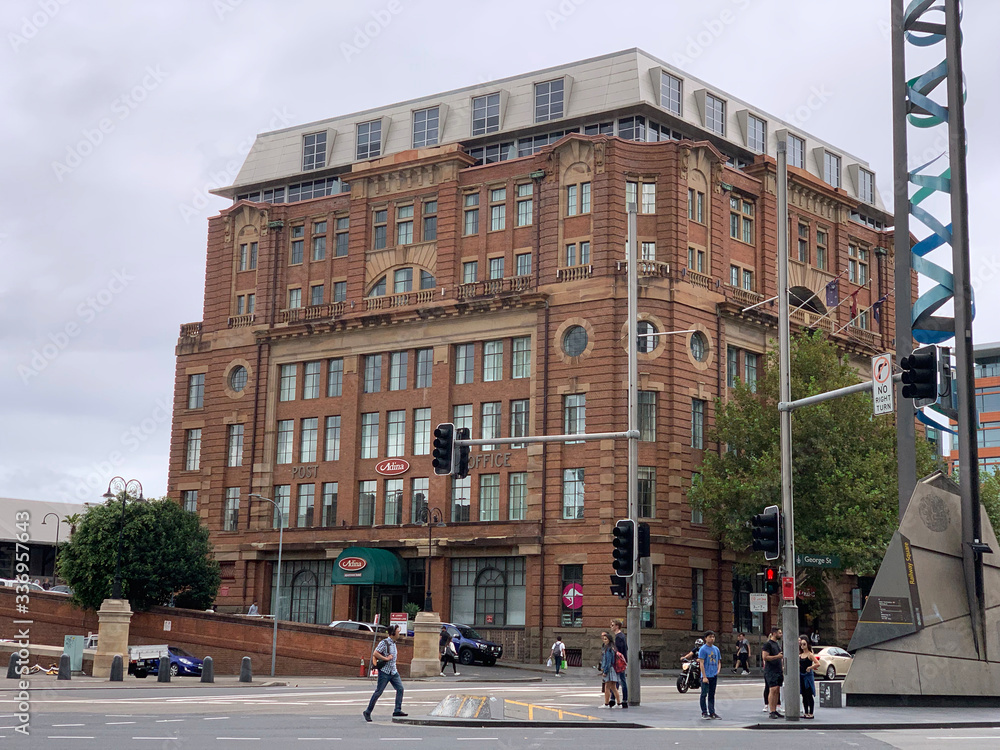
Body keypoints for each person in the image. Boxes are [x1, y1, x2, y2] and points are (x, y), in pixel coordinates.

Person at [363, 623, 407, 722]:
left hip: (393, 671)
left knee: (400, 689)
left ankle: (397, 710)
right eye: (397, 631)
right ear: (393, 633)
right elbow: (375, 653)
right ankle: (368, 711)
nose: (399, 633)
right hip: (385, 672)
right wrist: (385, 658)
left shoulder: (394, 643)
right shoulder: (385, 642)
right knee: (379, 692)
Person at [698, 630, 722, 720]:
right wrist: (704, 676)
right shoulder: (703, 649)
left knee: (712, 694)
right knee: (704, 694)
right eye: (710, 637)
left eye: (713, 637)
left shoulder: (716, 649)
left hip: (713, 675)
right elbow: (701, 663)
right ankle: (704, 712)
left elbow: (719, 661)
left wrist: (718, 670)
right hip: (706, 675)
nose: (712, 639)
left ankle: (712, 712)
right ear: (706, 638)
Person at [762, 627, 784, 719]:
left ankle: (775, 709)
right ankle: (771, 711)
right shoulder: (768, 644)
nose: (781, 634)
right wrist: (777, 656)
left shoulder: (777, 644)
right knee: (773, 689)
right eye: (779, 633)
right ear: (774, 633)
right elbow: (765, 657)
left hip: (778, 669)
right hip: (771, 670)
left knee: (777, 690)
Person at [599, 632, 621, 709]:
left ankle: (606, 703)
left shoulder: (608, 649)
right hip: (613, 669)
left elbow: (608, 661)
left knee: (607, 687)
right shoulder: (612, 648)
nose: (604, 640)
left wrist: (605, 671)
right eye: (603, 639)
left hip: (609, 670)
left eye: (605, 639)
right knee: (613, 687)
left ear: (609, 640)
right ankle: (618, 703)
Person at [610, 619, 628, 708]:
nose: (611, 626)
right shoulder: (621, 636)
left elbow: (619, 651)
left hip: (619, 662)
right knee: (618, 680)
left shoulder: (618, 637)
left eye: (612, 625)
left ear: (617, 626)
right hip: (621, 661)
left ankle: (623, 700)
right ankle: (613, 699)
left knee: (620, 680)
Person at [799, 637, 817, 719]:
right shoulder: (800, 655)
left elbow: (818, 663)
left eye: (804, 644)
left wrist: (810, 667)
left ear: (807, 645)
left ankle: (811, 713)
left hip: (808, 676)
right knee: (803, 695)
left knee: (809, 694)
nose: (802, 646)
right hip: (801, 676)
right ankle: (806, 712)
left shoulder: (810, 654)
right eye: (801, 644)